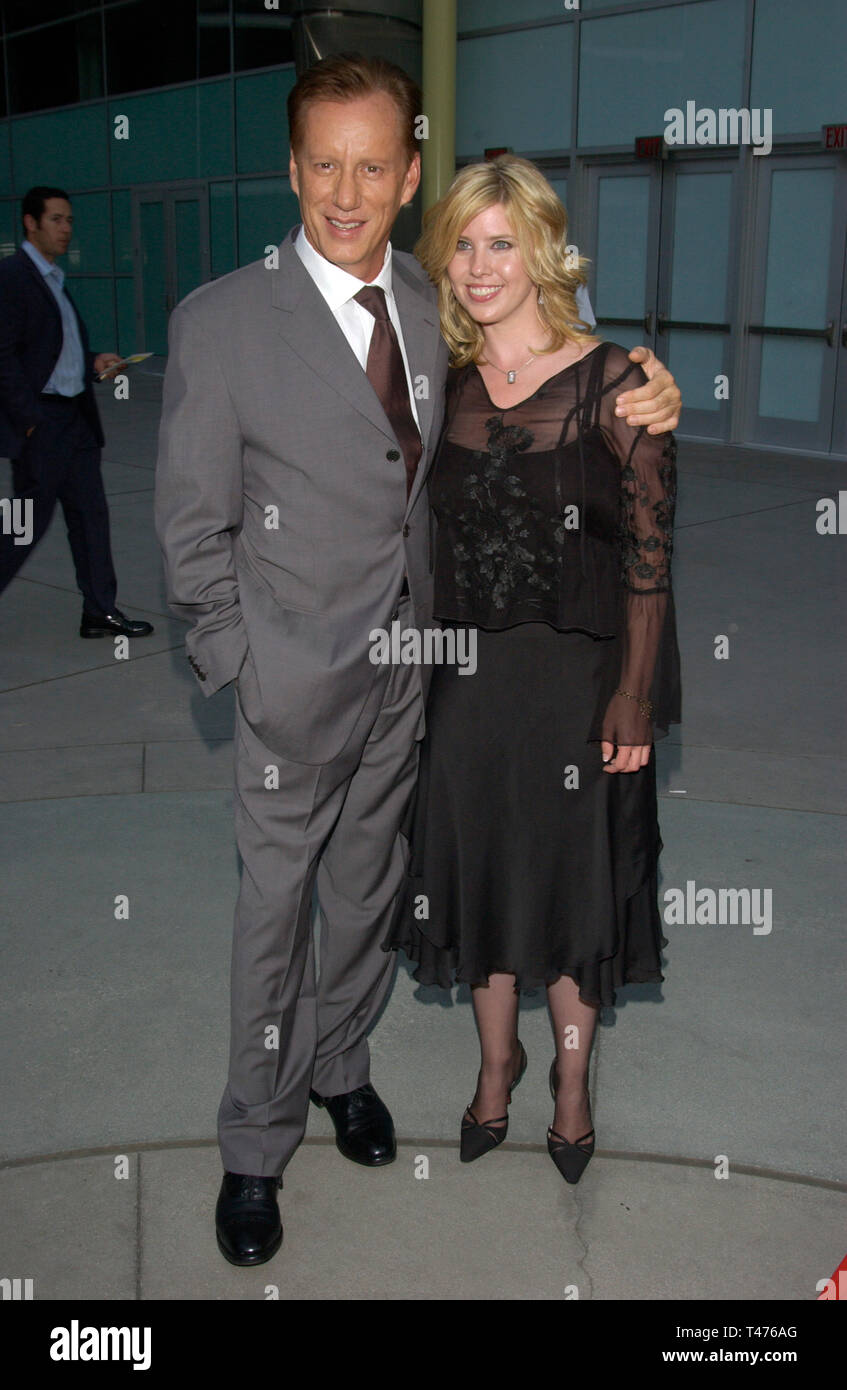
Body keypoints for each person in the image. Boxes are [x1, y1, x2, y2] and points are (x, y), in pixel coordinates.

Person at [154, 54, 681, 1267]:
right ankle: (253, 1141)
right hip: (291, 687)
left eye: (373, 166)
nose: (347, 191)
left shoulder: (438, 303)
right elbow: (191, 532)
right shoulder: (221, 322)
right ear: (292, 171)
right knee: (271, 922)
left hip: (421, 679)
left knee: (365, 902)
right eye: (323, 165)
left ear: (405, 178)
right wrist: (243, 664)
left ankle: (343, 1070)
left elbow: (543, 379)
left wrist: (647, 386)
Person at [386, 155, 681, 1186]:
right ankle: (493, 1066)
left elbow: (649, 560)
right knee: (482, 885)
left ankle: (567, 1084)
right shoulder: (447, 384)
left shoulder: (619, 385)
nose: (478, 264)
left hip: (580, 688)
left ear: (544, 250)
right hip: (466, 687)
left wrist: (635, 698)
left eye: (500, 241)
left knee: (573, 895)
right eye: (461, 243)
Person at [0, 187, 153, 638]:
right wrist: (28, 418)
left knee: (91, 518)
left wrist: (92, 362)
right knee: (22, 527)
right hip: (42, 425)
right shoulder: (13, 276)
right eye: (57, 220)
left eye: (69, 220)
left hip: (76, 422)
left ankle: (99, 612)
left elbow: (51, 350)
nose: (67, 229)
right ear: (31, 223)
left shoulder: (52, 278)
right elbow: (3, 356)